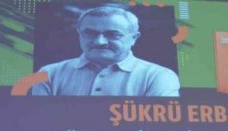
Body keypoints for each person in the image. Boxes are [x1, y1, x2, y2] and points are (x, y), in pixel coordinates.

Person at [32, 6, 180, 96]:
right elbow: (39, 124)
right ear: (79, 34)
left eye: (113, 34)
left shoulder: (158, 77)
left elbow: (159, 129)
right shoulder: (48, 74)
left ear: (134, 38)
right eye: (90, 33)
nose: (99, 42)